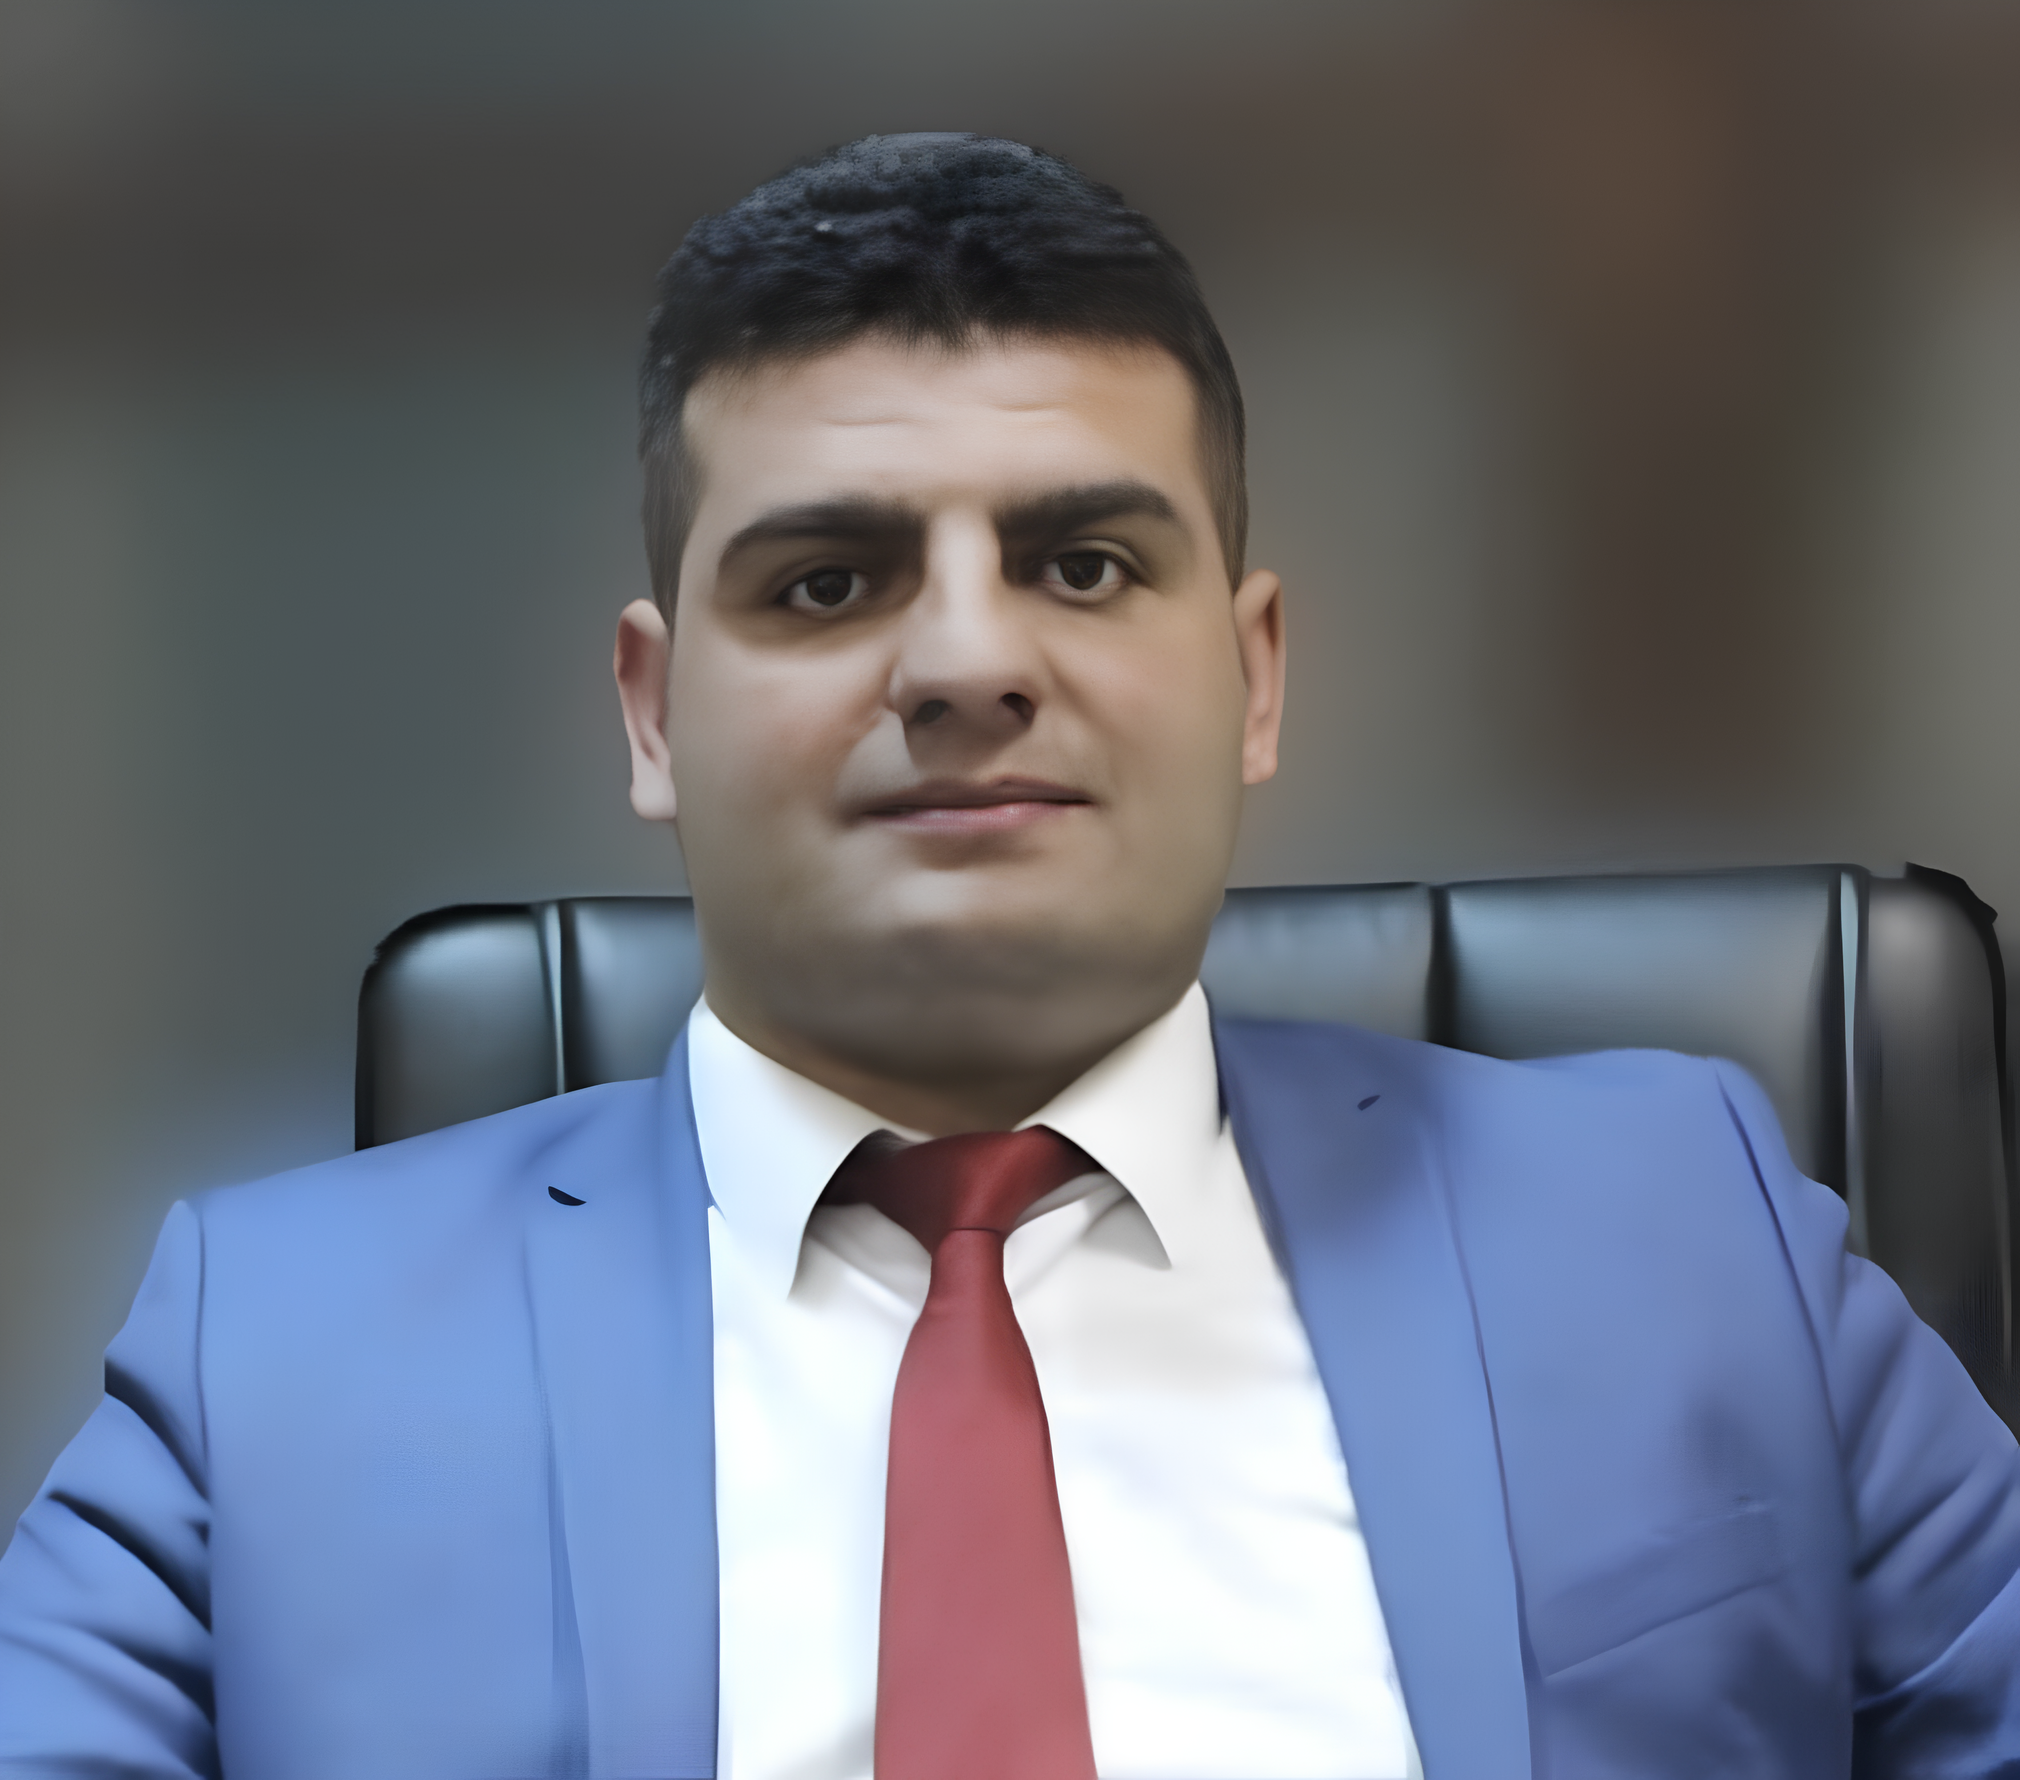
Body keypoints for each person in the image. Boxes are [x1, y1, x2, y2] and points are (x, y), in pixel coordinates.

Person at [2, 132, 2017, 1780]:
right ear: (651, 712)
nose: (967, 661)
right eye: (828, 581)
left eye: (1081, 563)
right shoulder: (262, 1355)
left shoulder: (1696, 1230)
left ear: (1251, 676)